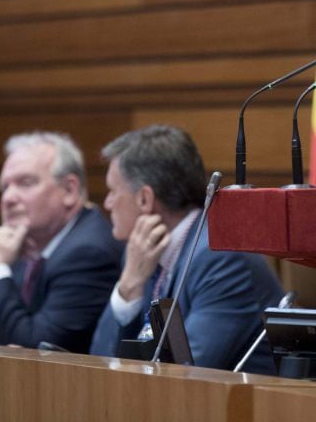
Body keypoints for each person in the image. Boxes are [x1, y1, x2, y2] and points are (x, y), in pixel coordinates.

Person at [89, 125, 284, 373]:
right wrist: (128, 286)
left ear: (144, 199)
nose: (107, 202)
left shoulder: (220, 258)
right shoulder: (144, 254)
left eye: (113, 191)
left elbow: (186, 371)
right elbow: (98, 362)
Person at [0, 131, 123, 351]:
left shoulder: (88, 252)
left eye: (26, 183)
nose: (8, 198)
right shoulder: (25, 242)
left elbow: (39, 348)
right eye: (5, 187)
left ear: (69, 190)